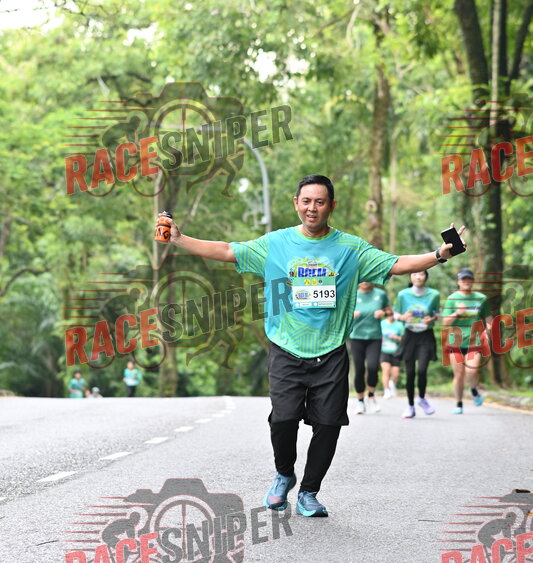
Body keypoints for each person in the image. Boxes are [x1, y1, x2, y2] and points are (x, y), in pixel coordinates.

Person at [161, 174, 466, 517]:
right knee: (283, 419)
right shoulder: (276, 243)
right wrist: (180, 238)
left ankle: (309, 492)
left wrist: (439, 254)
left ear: (331, 206)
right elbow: (229, 250)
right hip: (286, 348)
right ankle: (283, 474)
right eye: (306, 201)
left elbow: (397, 264)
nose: (312, 208)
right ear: (296, 203)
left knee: (329, 424)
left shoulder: (350, 249)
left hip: (331, 351)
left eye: (320, 202)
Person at [442, 268, 492, 414]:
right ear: (458, 282)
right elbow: (445, 322)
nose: (466, 282)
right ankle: (458, 404)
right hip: (455, 342)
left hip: (474, 341)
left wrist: (488, 331)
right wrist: (458, 312)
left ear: (473, 281)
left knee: (472, 370)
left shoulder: (481, 298)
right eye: (463, 279)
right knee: (459, 375)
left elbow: (488, 318)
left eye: (469, 279)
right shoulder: (452, 299)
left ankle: (473, 389)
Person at [394, 271, 440, 419]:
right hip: (409, 336)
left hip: (426, 336)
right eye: (414, 274)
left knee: (422, 370)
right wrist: (403, 317)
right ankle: (410, 406)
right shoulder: (403, 295)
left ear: (426, 276)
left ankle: (421, 398)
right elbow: (395, 314)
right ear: (410, 277)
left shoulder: (434, 294)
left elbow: (437, 314)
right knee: (410, 372)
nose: (418, 277)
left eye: (421, 274)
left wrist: (432, 319)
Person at [348, 282, 390, 413]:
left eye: (368, 278)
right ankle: (360, 401)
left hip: (374, 337)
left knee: (372, 367)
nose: (365, 282)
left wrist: (383, 313)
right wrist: (351, 315)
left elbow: (390, 311)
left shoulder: (380, 294)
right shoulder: (352, 294)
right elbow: (341, 314)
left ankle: (371, 395)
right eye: (362, 279)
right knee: (359, 369)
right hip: (356, 337)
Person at [380, 308, 404, 398]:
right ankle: (386, 390)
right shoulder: (382, 323)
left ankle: (392, 384)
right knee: (385, 370)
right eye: (388, 314)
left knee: (395, 374)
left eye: (391, 314)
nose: (390, 316)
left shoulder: (399, 325)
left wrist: (396, 338)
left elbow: (404, 339)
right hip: (384, 351)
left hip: (396, 352)